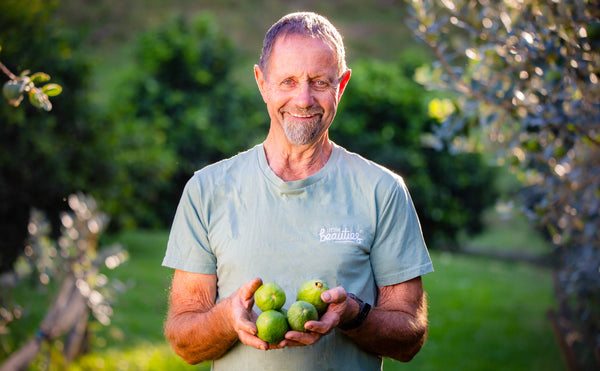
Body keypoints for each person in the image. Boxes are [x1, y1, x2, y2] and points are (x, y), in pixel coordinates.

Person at [162, 11, 434, 370]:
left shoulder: (382, 191)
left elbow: (410, 338)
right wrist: (228, 317)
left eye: (320, 82)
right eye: (288, 81)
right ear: (262, 83)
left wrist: (352, 314)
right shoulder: (207, 190)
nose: (303, 99)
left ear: (342, 84)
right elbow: (184, 340)